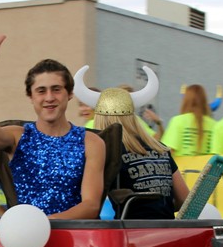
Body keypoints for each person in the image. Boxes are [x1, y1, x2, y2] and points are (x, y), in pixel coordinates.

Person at [0, 13, 105, 219]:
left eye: (56, 89)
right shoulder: (16, 137)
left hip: (72, 241)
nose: (49, 98)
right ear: (31, 96)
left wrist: (42, 225)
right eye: (41, 91)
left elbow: (90, 207)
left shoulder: (91, 142)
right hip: (24, 242)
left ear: (70, 94)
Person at [75, 68, 189, 219]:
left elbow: (89, 204)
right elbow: (184, 199)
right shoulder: (160, 147)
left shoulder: (107, 150)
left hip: (131, 233)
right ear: (132, 116)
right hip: (167, 231)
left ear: (100, 118)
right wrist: (159, 205)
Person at [161, 84, 216, 156]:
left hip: (182, 167)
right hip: (207, 166)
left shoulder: (177, 121)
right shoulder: (214, 124)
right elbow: (217, 153)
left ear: (186, 101)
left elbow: (167, 152)